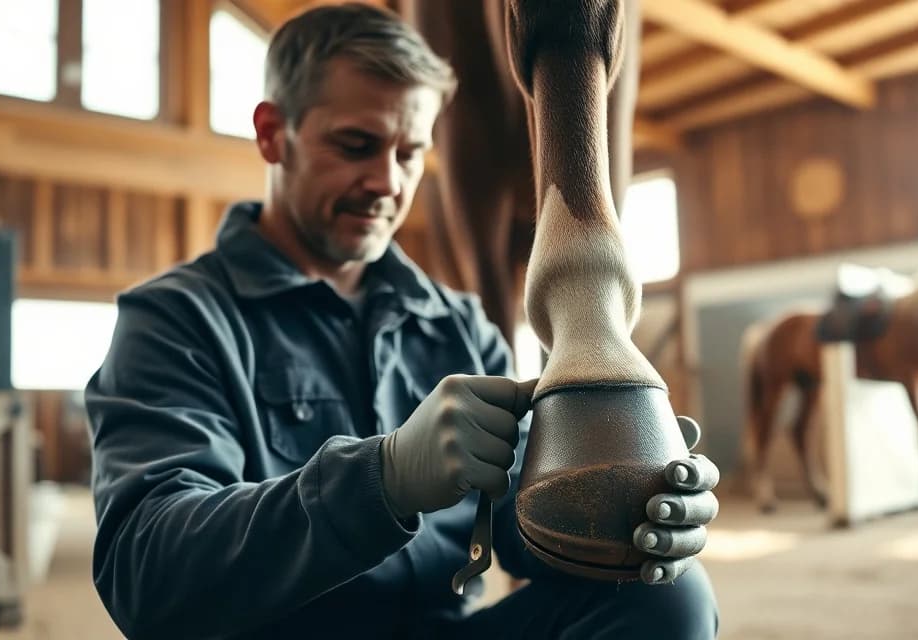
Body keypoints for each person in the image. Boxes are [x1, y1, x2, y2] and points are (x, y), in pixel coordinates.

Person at [85, 4, 719, 638]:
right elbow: (145, 574)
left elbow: (531, 544)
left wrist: (625, 513)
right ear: (273, 133)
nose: (387, 181)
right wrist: (381, 481)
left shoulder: (463, 328)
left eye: (411, 153)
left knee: (670, 598)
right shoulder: (174, 320)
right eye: (356, 146)